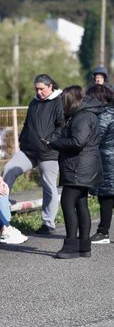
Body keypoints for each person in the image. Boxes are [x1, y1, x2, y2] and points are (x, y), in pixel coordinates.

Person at [2, 74, 63, 235]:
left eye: (42, 89)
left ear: (50, 87)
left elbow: (61, 126)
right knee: (9, 168)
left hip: (49, 152)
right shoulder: (34, 102)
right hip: (29, 150)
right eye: (36, 89)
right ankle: (1, 209)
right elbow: (27, 124)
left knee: (49, 185)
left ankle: (48, 223)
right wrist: (23, 140)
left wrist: (50, 140)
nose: (39, 92)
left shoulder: (59, 101)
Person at [46, 86, 102, 259]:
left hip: (78, 167)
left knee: (67, 203)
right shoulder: (83, 114)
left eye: (63, 102)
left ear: (70, 101)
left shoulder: (82, 117)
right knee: (80, 204)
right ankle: (84, 247)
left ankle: (71, 246)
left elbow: (78, 142)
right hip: (82, 166)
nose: (61, 106)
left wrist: (54, 143)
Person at [87, 84, 114, 244]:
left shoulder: (104, 115)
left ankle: (103, 232)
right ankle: (103, 231)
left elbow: (97, 137)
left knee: (106, 197)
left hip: (107, 161)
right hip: (109, 159)